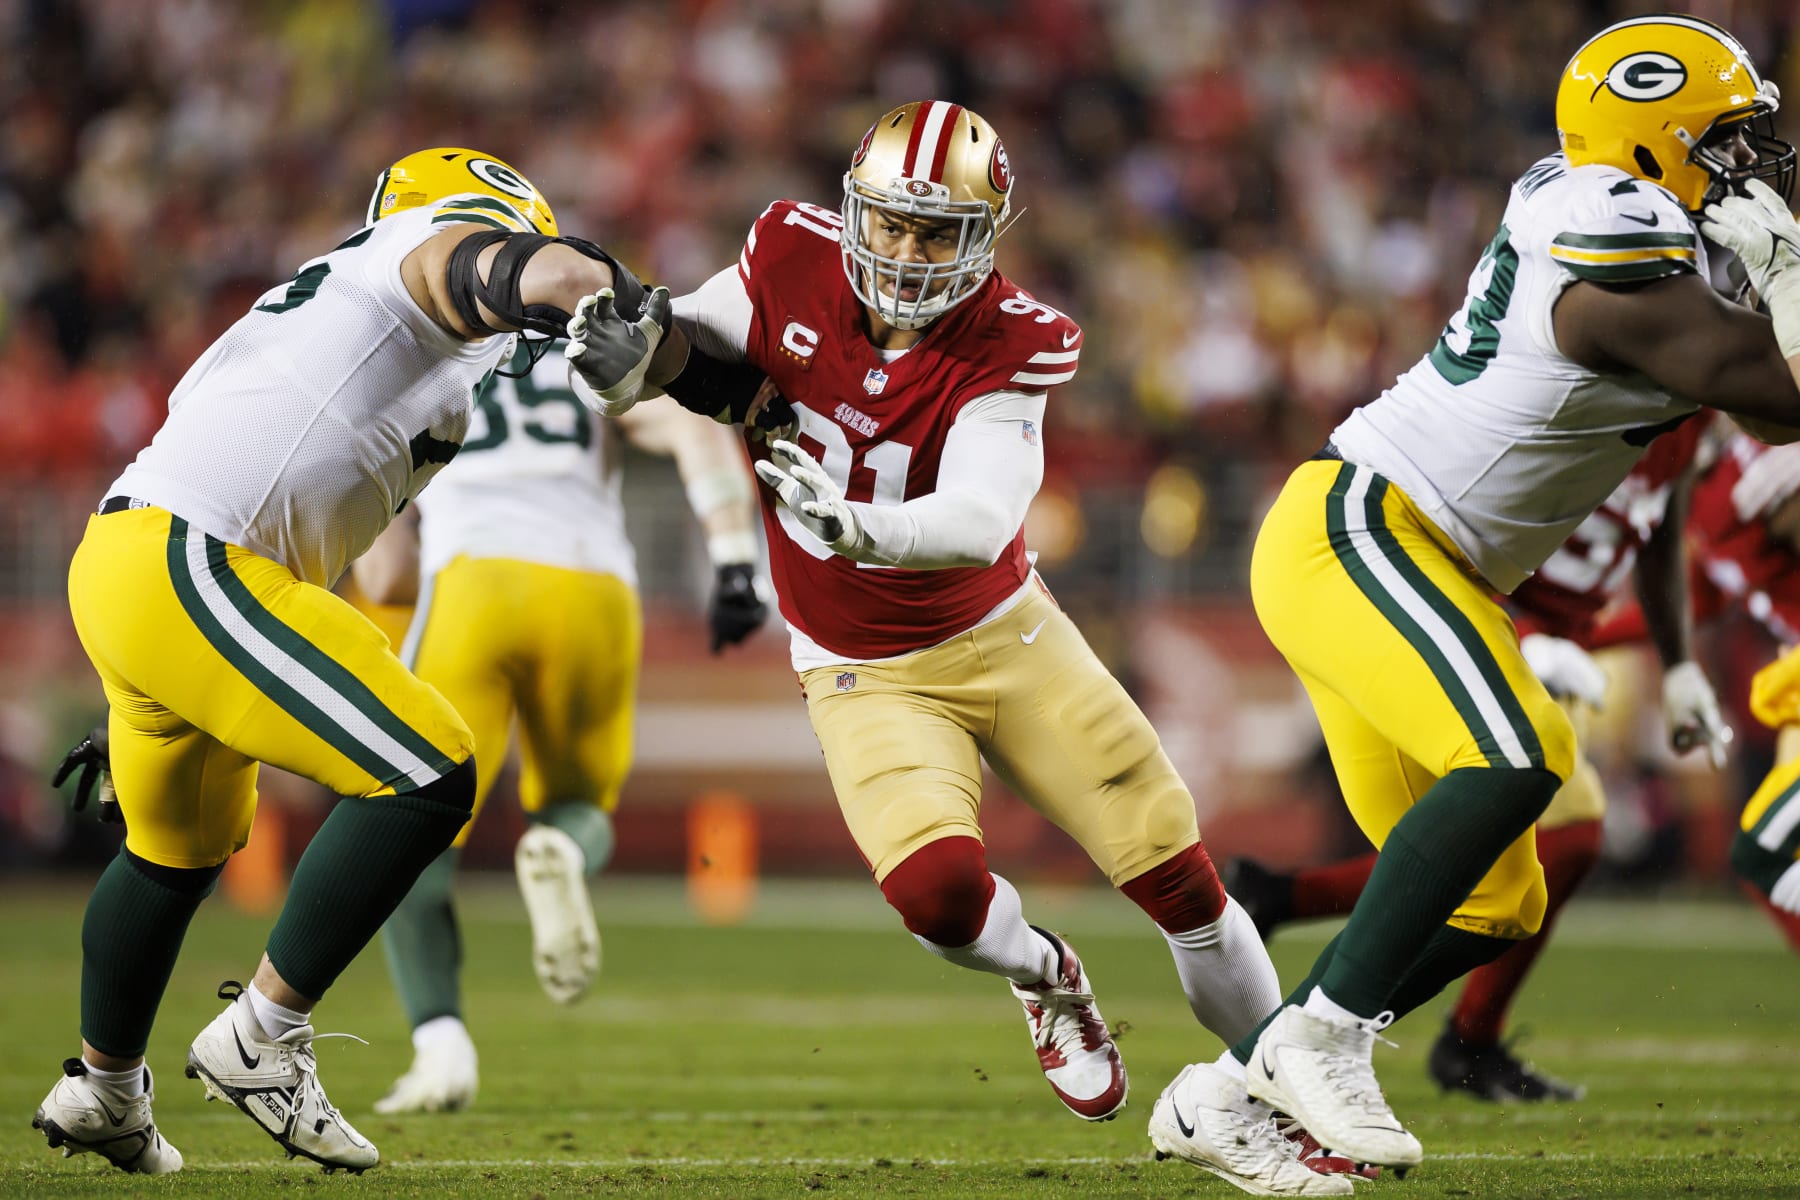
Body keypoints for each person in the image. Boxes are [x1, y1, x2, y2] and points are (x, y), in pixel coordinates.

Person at [581, 100, 1350, 1196]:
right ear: (853, 210)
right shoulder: (787, 254)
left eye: (936, 232)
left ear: (985, 236)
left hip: (1006, 638)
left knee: (1182, 883)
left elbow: (981, 514)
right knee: (939, 899)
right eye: (890, 223)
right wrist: (626, 359)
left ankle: (1272, 1102)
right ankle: (1046, 979)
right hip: (860, 668)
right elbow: (687, 349)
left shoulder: (1017, 336)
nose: (904, 252)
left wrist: (860, 528)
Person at [1166, 13, 1800, 1173]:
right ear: (1652, 142)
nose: (1749, 166)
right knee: (1519, 754)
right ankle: (1323, 1035)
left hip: (1420, 560)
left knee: (1500, 895)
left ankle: (1228, 1093)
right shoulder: (1604, 224)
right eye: (1726, 141)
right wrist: (1788, 272)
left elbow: (1766, 405)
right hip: (1362, 529)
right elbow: (1762, 381)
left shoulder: (1659, 237)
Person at [33, 147, 684, 1174]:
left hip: (155, 576)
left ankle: (104, 1089)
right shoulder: (413, 255)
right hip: (195, 562)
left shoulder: (390, 356)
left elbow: (355, 555)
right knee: (431, 767)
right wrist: (621, 303)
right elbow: (528, 273)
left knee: (171, 855)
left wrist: (195, 665)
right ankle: (263, 1035)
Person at [1227, 414, 1726, 1103]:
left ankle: (1276, 1015)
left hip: (1535, 641)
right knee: (1547, 836)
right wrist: (1520, 633)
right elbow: (1472, 516)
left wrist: (1675, 665)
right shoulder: (1595, 383)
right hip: (1465, 618)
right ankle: (1405, 1037)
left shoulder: (1688, 416)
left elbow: (1663, 539)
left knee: (1501, 879)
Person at [352, 341, 767, 1115]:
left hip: (472, 583)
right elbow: (695, 432)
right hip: (594, 586)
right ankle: (561, 850)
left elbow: (384, 574)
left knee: (404, 832)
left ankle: (440, 1044)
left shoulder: (417, 371)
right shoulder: (591, 350)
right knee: (581, 806)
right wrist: (735, 559)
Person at [1590, 434, 1800, 952]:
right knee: (1763, 862)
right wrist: (1580, 637)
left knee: (1764, 856)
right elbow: (1699, 602)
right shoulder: (1694, 500)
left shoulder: (1753, 468)